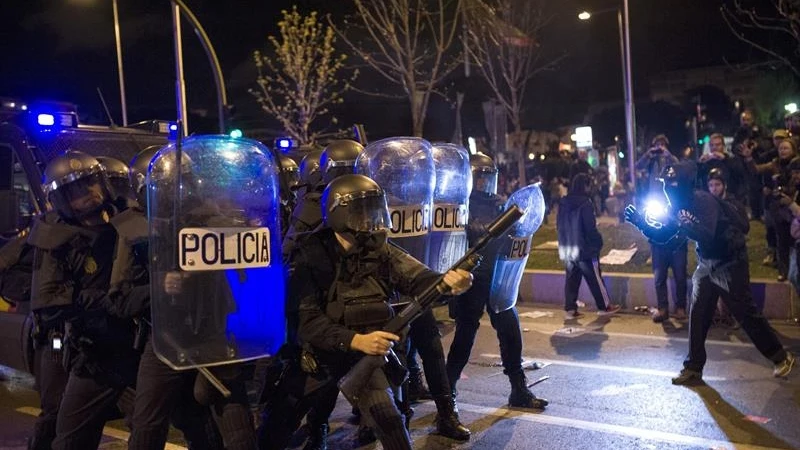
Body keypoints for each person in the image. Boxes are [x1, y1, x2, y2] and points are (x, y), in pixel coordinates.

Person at [262, 174, 473, 450]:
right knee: (275, 429)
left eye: (374, 211)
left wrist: (450, 282)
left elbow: (418, 277)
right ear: (340, 214)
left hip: (365, 356)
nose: (372, 220)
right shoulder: (310, 255)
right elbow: (307, 321)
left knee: (390, 423)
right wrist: (355, 340)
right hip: (319, 357)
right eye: (363, 213)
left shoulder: (379, 248)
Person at [625, 161, 795, 385]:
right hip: (706, 264)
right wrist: (641, 223)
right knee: (698, 315)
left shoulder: (703, 201)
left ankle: (780, 357)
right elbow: (666, 238)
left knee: (745, 313)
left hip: (730, 262)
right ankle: (693, 368)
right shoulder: (675, 206)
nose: (667, 189)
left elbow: (707, 234)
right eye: (665, 184)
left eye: (672, 184)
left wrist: (682, 223)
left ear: (684, 184)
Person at [28, 150, 140, 449]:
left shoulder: (128, 223)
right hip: (91, 351)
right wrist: (102, 302)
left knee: (151, 425)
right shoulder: (56, 237)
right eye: (74, 190)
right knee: (64, 425)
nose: (87, 193)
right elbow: (48, 300)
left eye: (90, 183)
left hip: (136, 345)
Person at [123, 146, 225, 450]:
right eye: (166, 184)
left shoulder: (210, 218)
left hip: (209, 333)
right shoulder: (133, 230)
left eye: (181, 182)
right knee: (148, 424)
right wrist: (158, 286)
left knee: (207, 420)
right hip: (162, 339)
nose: (176, 191)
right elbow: (121, 298)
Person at [446, 153, 549, 411]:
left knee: (511, 332)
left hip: (498, 277)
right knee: (464, 337)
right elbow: (469, 230)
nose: (484, 184)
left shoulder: (501, 203)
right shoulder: (459, 205)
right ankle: (446, 395)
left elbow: (517, 233)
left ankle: (519, 390)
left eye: (487, 178)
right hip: (471, 279)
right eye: (479, 178)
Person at [557, 173, 622, 319]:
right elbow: (590, 227)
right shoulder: (585, 203)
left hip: (568, 247)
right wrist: (597, 242)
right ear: (585, 186)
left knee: (572, 278)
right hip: (584, 247)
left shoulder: (563, 202)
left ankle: (570, 308)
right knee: (594, 278)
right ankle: (604, 306)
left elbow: (559, 226)